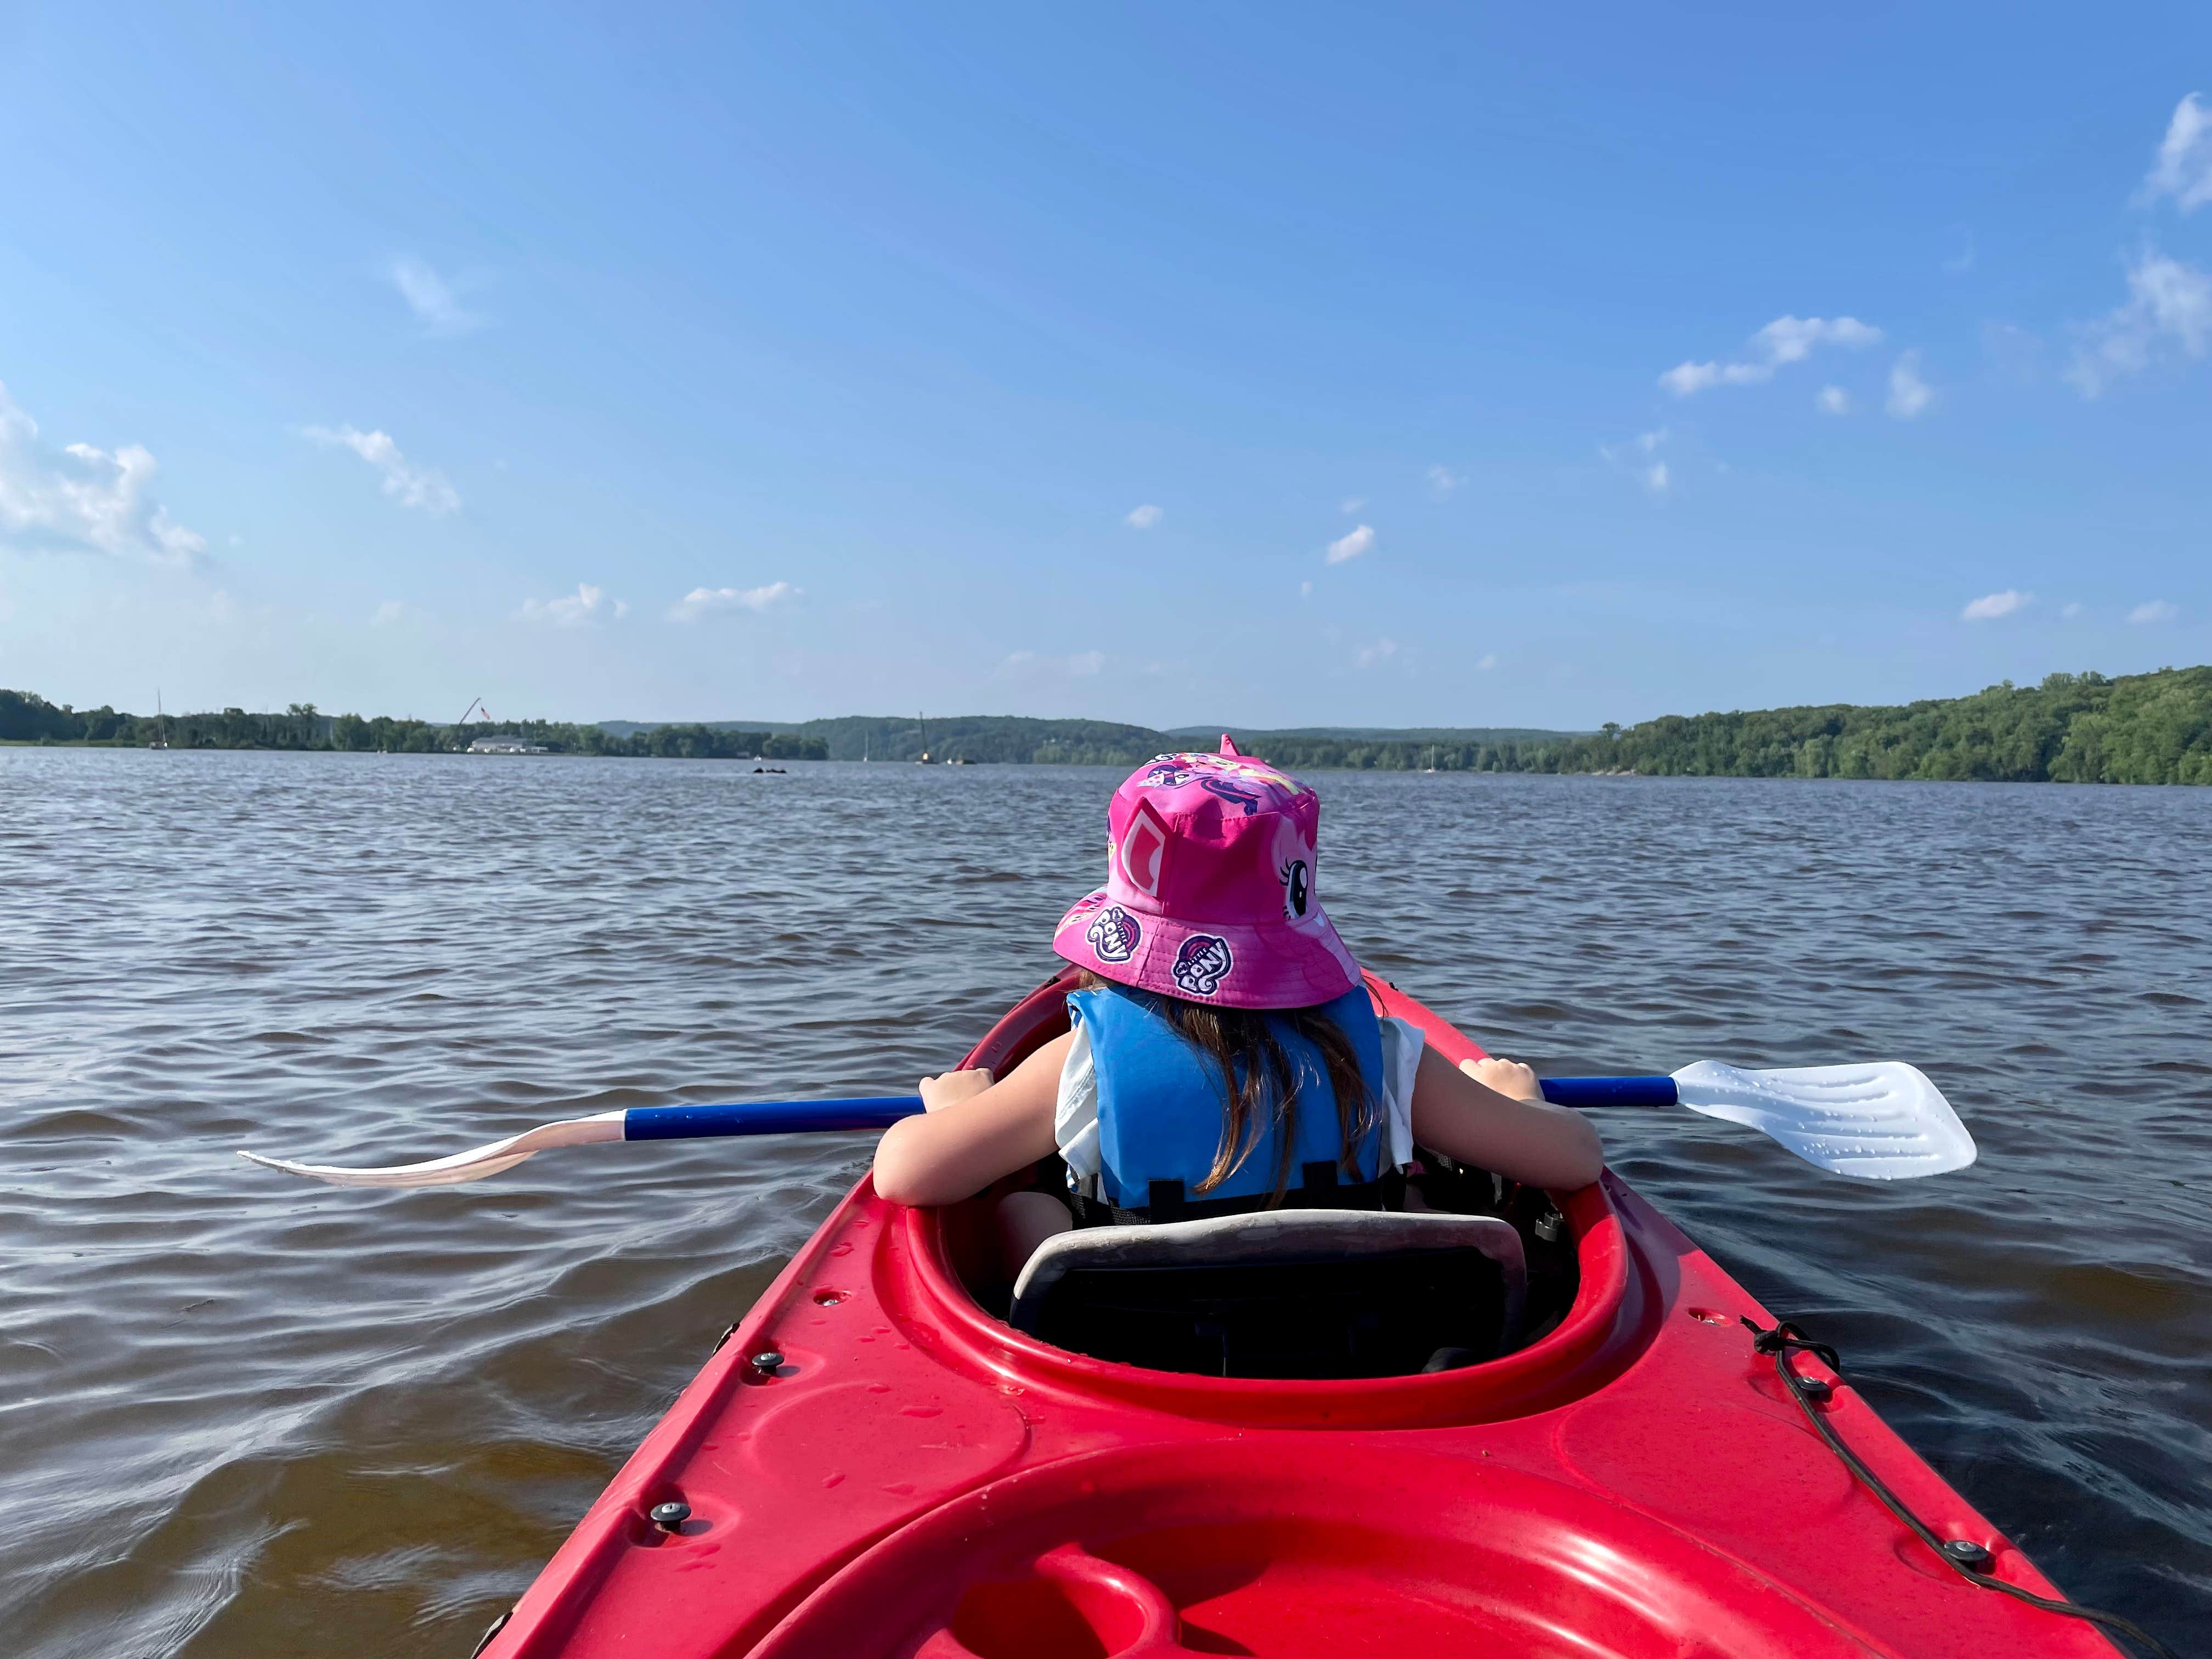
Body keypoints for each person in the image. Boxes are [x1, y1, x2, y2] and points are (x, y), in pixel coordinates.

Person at [872, 741, 1603, 1270]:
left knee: (1023, 1209)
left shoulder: (1087, 1059)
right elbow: (1576, 1157)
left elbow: (902, 1172)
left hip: (1141, 1339)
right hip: (1355, 1335)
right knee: (1420, 1202)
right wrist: (1517, 1096)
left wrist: (958, 1111)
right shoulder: (1385, 1052)